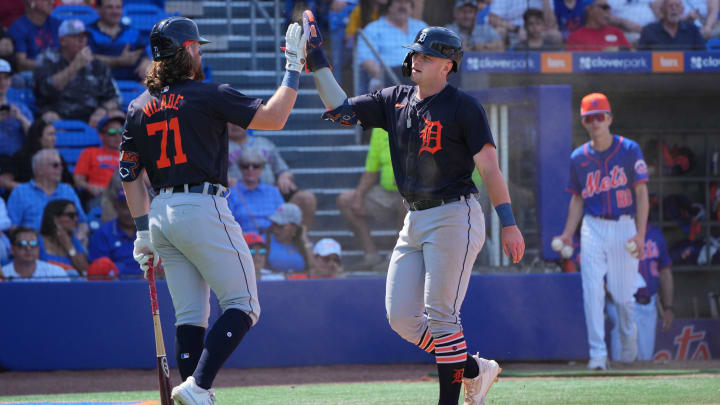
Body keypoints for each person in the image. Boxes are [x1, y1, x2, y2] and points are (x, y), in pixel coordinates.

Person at [303, 15, 525, 404]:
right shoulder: (395, 99)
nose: (415, 59)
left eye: (425, 54)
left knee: (442, 317)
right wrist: (317, 59)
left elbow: (489, 167)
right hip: (415, 217)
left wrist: (508, 223)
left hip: (456, 214)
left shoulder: (464, 106)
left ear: (447, 64)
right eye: (415, 53)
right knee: (401, 318)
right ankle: (474, 369)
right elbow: (340, 109)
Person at [120, 16, 305, 404]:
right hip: (201, 206)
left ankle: (194, 392)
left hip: (161, 214)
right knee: (244, 306)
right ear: (186, 50)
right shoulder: (207, 93)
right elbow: (275, 117)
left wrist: (141, 232)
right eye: (197, 47)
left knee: (190, 315)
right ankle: (199, 385)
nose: (200, 52)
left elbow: (129, 175)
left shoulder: (138, 106)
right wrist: (293, 66)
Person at [554, 93, 649, 370]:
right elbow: (578, 198)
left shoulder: (629, 149)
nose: (595, 122)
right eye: (589, 118)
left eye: (600, 117)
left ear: (609, 119)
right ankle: (598, 356)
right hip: (593, 226)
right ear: (583, 122)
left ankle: (629, 349)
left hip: (624, 226)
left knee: (623, 297)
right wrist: (568, 233)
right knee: (592, 290)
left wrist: (640, 235)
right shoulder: (578, 157)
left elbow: (641, 193)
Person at [337, 128, 406, 271]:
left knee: (407, 200)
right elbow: (371, 169)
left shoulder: (417, 123)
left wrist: (407, 175)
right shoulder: (379, 130)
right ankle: (371, 256)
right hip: (385, 192)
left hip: (411, 191)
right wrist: (359, 196)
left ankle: (396, 256)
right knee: (346, 200)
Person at [227, 122, 317, 228]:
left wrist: (284, 176)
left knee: (306, 198)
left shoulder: (264, 143)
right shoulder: (218, 146)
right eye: (230, 122)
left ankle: (300, 239)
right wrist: (222, 179)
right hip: (236, 197)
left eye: (237, 121)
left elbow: (283, 170)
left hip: (270, 197)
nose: (235, 125)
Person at [33, 19, 121, 126]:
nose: (81, 40)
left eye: (84, 37)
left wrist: (103, 109)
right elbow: (44, 90)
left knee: (117, 116)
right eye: (75, 37)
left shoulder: (97, 65)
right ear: (62, 41)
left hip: (92, 116)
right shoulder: (48, 59)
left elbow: (115, 98)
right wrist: (74, 66)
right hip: (58, 114)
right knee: (48, 119)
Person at [607, 223, 674, 362]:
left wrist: (668, 307)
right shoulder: (614, 232)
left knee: (645, 358)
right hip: (621, 304)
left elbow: (665, 272)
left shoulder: (656, 235)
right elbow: (600, 270)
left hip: (647, 304)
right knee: (621, 359)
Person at [7, 149, 88, 234]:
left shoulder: (67, 190)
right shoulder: (20, 192)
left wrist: (79, 237)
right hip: (34, 244)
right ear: (39, 169)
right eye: (55, 165)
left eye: (62, 165)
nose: (60, 169)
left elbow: (82, 222)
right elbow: (12, 226)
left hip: (66, 243)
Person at [356, 0, 427, 92]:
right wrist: (389, 79)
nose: (403, 6)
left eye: (407, 3)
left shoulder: (421, 27)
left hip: (421, 78)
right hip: (387, 81)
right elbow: (367, 62)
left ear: (411, 8)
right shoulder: (373, 29)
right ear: (389, 6)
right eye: (398, 2)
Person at [0, 119, 74, 196]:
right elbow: (5, 182)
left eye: (55, 134)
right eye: (50, 134)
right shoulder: (21, 156)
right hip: (25, 197)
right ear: (39, 138)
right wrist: (31, 190)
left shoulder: (57, 156)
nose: (54, 138)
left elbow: (68, 182)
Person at [86, 0, 152, 81]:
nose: (115, 11)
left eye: (118, 7)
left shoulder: (132, 32)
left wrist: (146, 61)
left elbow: (145, 53)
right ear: (98, 9)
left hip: (132, 85)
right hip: (98, 84)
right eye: (109, 7)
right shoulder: (88, 32)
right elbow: (88, 59)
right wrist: (119, 61)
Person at [227, 148, 285, 234]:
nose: (251, 169)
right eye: (245, 166)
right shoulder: (230, 194)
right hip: (243, 241)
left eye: (256, 166)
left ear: (262, 167)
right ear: (240, 168)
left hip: (271, 240)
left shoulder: (274, 192)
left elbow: (283, 218)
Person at [73, 112, 123, 210]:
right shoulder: (89, 153)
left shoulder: (130, 155)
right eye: (112, 132)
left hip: (125, 197)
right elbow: (78, 180)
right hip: (101, 197)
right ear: (101, 135)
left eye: (121, 132)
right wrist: (90, 187)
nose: (118, 136)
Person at [89, 189, 142, 278]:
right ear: (116, 207)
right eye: (125, 207)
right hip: (115, 286)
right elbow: (98, 271)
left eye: (134, 206)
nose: (130, 212)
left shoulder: (149, 231)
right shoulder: (103, 233)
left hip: (148, 284)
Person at [38, 199, 88, 275]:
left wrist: (69, 246)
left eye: (76, 215)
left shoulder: (74, 242)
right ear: (55, 219)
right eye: (71, 215)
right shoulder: (38, 241)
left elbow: (85, 271)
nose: (76, 219)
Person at [7, 0, 61, 72]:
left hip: (58, 71)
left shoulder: (57, 24)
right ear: (31, 2)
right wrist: (48, 66)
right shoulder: (18, 27)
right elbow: (21, 64)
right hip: (33, 74)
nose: (51, 2)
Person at [2, 226, 70, 281]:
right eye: (22, 244)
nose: (28, 248)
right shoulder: (3, 275)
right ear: (12, 249)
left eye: (33, 243)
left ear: (38, 248)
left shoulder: (56, 273)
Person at [263, 202, 314, 274]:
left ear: (294, 227)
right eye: (274, 224)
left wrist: (305, 240)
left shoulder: (305, 244)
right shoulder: (264, 241)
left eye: (281, 225)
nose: (276, 229)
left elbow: (314, 268)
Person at [566, 0, 632, 51]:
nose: (608, 11)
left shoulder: (616, 32)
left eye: (609, 8)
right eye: (604, 7)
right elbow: (576, 64)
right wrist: (603, 53)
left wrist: (619, 50)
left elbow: (633, 55)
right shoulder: (575, 37)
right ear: (589, 9)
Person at [639, 0, 706, 49]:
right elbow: (641, 59)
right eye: (670, 6)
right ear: (662, 10)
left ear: (682, 10)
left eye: (677, 6)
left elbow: (703, 57)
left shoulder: (693, 30)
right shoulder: (648, 31)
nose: (674, 9)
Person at [0, 58, 33, 158]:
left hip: (17, 163)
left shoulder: (21, 108)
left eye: (6, 78)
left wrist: (21, 119)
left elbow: (34, 139)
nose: (2, 83)